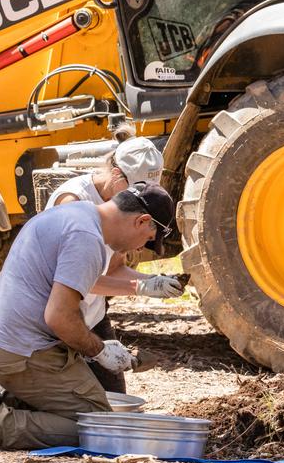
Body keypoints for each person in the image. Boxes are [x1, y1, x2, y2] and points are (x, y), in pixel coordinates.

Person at [0, 183, 177, 450]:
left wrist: (141, 286)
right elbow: (60, 317)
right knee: (100, 426)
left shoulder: (77, 214)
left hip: (7, 347)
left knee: (94, 408)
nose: (141, 247)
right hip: (23, 356)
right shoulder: (86, 238)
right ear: (142, 220)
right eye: (148, 239)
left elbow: (74, 289)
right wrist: (99, 350)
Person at [43, 134, 181, 394]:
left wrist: (151, 282)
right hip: (62, 317)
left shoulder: (124, 210)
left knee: (115, 395)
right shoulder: (73, 200)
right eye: (136, 190)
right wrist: (139, 288)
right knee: (67, 402)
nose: (140, 200)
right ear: (117, 175)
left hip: (92, 315)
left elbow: (114, 268)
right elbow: (75, 279)